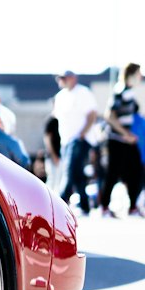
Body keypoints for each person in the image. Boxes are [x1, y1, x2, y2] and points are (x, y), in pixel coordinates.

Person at [100, 63, 144, 216]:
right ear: (131, 74)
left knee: (135, 172)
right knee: (113, 173)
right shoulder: (120, 90)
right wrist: (125, 133)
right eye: (139, 73)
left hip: (126, 140)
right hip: (117, 139)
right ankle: (104, 207)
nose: (141, 77)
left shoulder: (130, 92)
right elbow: (109, 116)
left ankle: (132, 207)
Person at [52, 71, 97, 217]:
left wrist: (82, 133)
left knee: (69, 170)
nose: (62, 81)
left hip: (79, 139)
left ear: (73, 78)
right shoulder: (60, 97)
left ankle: (60, 202)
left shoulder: (83, 92)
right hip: (66, 140)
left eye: (64, 78)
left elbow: (91, 115)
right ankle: (84, 205)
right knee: (77, 173)